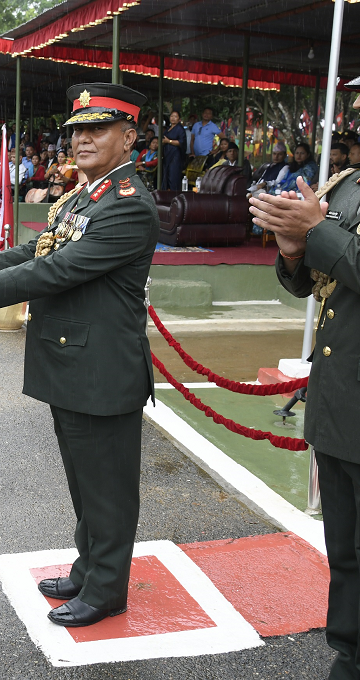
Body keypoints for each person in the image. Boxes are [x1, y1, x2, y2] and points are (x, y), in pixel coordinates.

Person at [0, 82, 159, 628]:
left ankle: (106, 589)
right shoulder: (85, 196)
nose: (82, 139)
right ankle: (89, 567)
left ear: (129, 138)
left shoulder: (127, 205)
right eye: (77, 130)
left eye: (97, 128)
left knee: (107, 486)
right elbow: (37, 249)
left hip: (102, 368)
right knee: (83, 478)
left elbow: (59, 270)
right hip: (72, 361)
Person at [249, 74, 360, 679]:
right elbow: (312, 285)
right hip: (341, 392)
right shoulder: (346, 187)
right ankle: (348, 648)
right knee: (344, 546)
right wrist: (293, 245)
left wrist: (317, 230)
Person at [162, 110, 186, 190]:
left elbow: (181, 142)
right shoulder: (168, 128)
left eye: (175, 116)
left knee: (173, 175)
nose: (173, 118)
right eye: (172, 116)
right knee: (167, 175)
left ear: (179, 119)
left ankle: (173, 194)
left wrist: (169, 141)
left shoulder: (180, 129)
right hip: (167, 154)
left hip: (175, 155)